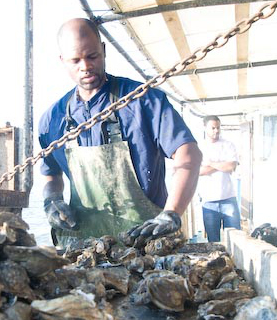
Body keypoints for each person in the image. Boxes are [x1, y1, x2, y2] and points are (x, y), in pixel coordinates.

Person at [38, 18, 202, 248]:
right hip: (85, 249)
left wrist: (172, 213)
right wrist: (52, 200)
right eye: (75, 60)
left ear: (103, 50)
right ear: (62, 60)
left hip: (147, 243)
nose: (85, 66)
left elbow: (189, 154)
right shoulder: (51, 120)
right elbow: (51, 174)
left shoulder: (143, 100)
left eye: (92, 56)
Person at [198, 115, 240, 242]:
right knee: (213, 241)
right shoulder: (199, 147)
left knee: (236, 238)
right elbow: (199, 171)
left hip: (229, 199)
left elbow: (231, 166)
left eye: (218, 128)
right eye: (213, 128)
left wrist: (210, 163)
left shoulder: (228, 145)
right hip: (209, 202)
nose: (216, 131)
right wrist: (222, 164)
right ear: (205, 128)